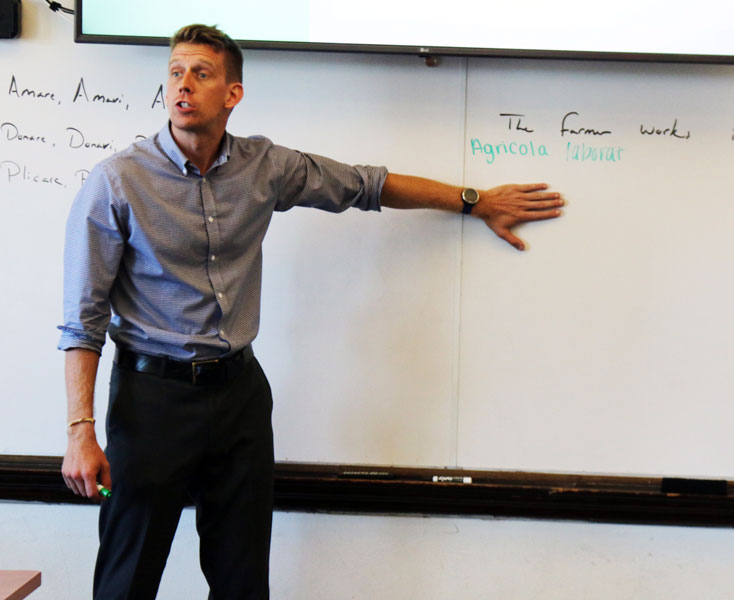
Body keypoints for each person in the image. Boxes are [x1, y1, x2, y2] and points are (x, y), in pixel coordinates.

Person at [59, 23, 562, 600]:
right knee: (127, 581)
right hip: (152, 404)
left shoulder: (264, 166)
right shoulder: (117, 181)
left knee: (243, 581)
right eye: (175, 72)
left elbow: (366, 185)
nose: (184, 85)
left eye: (201, 73)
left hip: (239, 399)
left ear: (232, 94)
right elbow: (83, 318)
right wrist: (80, 430)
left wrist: (474, 202)